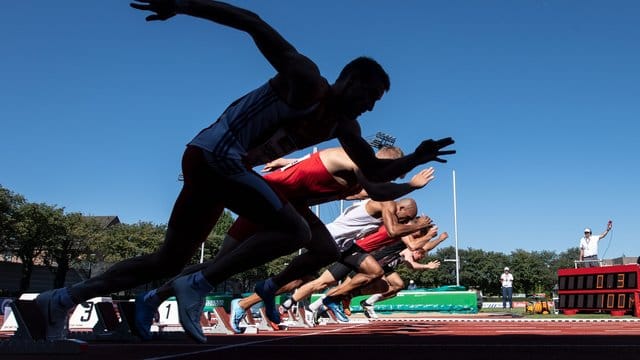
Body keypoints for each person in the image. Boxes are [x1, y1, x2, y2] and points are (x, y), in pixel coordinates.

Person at [34, 0, 455, 342]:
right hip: (217, 156)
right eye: (372, 96)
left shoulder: (342, 126)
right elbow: (252, 22)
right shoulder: (306, 80)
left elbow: (371, 168)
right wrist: (180, 5)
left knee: (168, 260)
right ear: (353, 81)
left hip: (219, 173)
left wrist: (417, 156)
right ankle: (197, 286)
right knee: (297, 234)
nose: (372, 106)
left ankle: (63, 298)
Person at [133, 148, 434, 339]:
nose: (393, 180)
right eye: (394, 173)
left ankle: (268, 286)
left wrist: (288, 161)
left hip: (292, 207)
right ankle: (156, 297)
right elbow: (373, 187)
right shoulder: (355, 160)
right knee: (220, 264)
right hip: (268, 201)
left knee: (325, 249)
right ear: (380, 162)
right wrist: (411, 185)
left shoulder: (360, 183)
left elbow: (328, 172)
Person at [230, 199, 430, 332]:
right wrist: (421, 228)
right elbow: (395, 231)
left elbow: (356, 192)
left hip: (345, 246)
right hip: (328, 240)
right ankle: (243, 304)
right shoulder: (385, 204)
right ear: (401, 208)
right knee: (297, 280)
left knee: (375, 272)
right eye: (404, 218)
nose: (404, 222)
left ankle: (335, 298)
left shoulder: (385, 208)